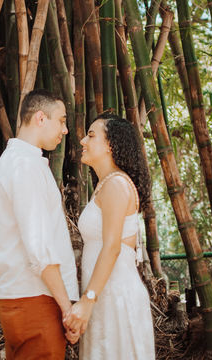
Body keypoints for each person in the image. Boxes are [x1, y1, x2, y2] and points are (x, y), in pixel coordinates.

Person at [0, 88, 79, 360]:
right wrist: (67, 309)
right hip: (35, 298)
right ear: (41, 118)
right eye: (61, 120)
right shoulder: (24, 167)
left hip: (23, 297)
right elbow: (40, 249)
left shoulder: (20, 162)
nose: (65, 130)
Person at [65, 114, 154, 360]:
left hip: (115, 297)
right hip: (103, 295)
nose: (83, 140)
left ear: (110, 145)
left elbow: (112, 247)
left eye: (91, 135)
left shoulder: (116, 184)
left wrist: (87, 300)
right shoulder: (106, 184)